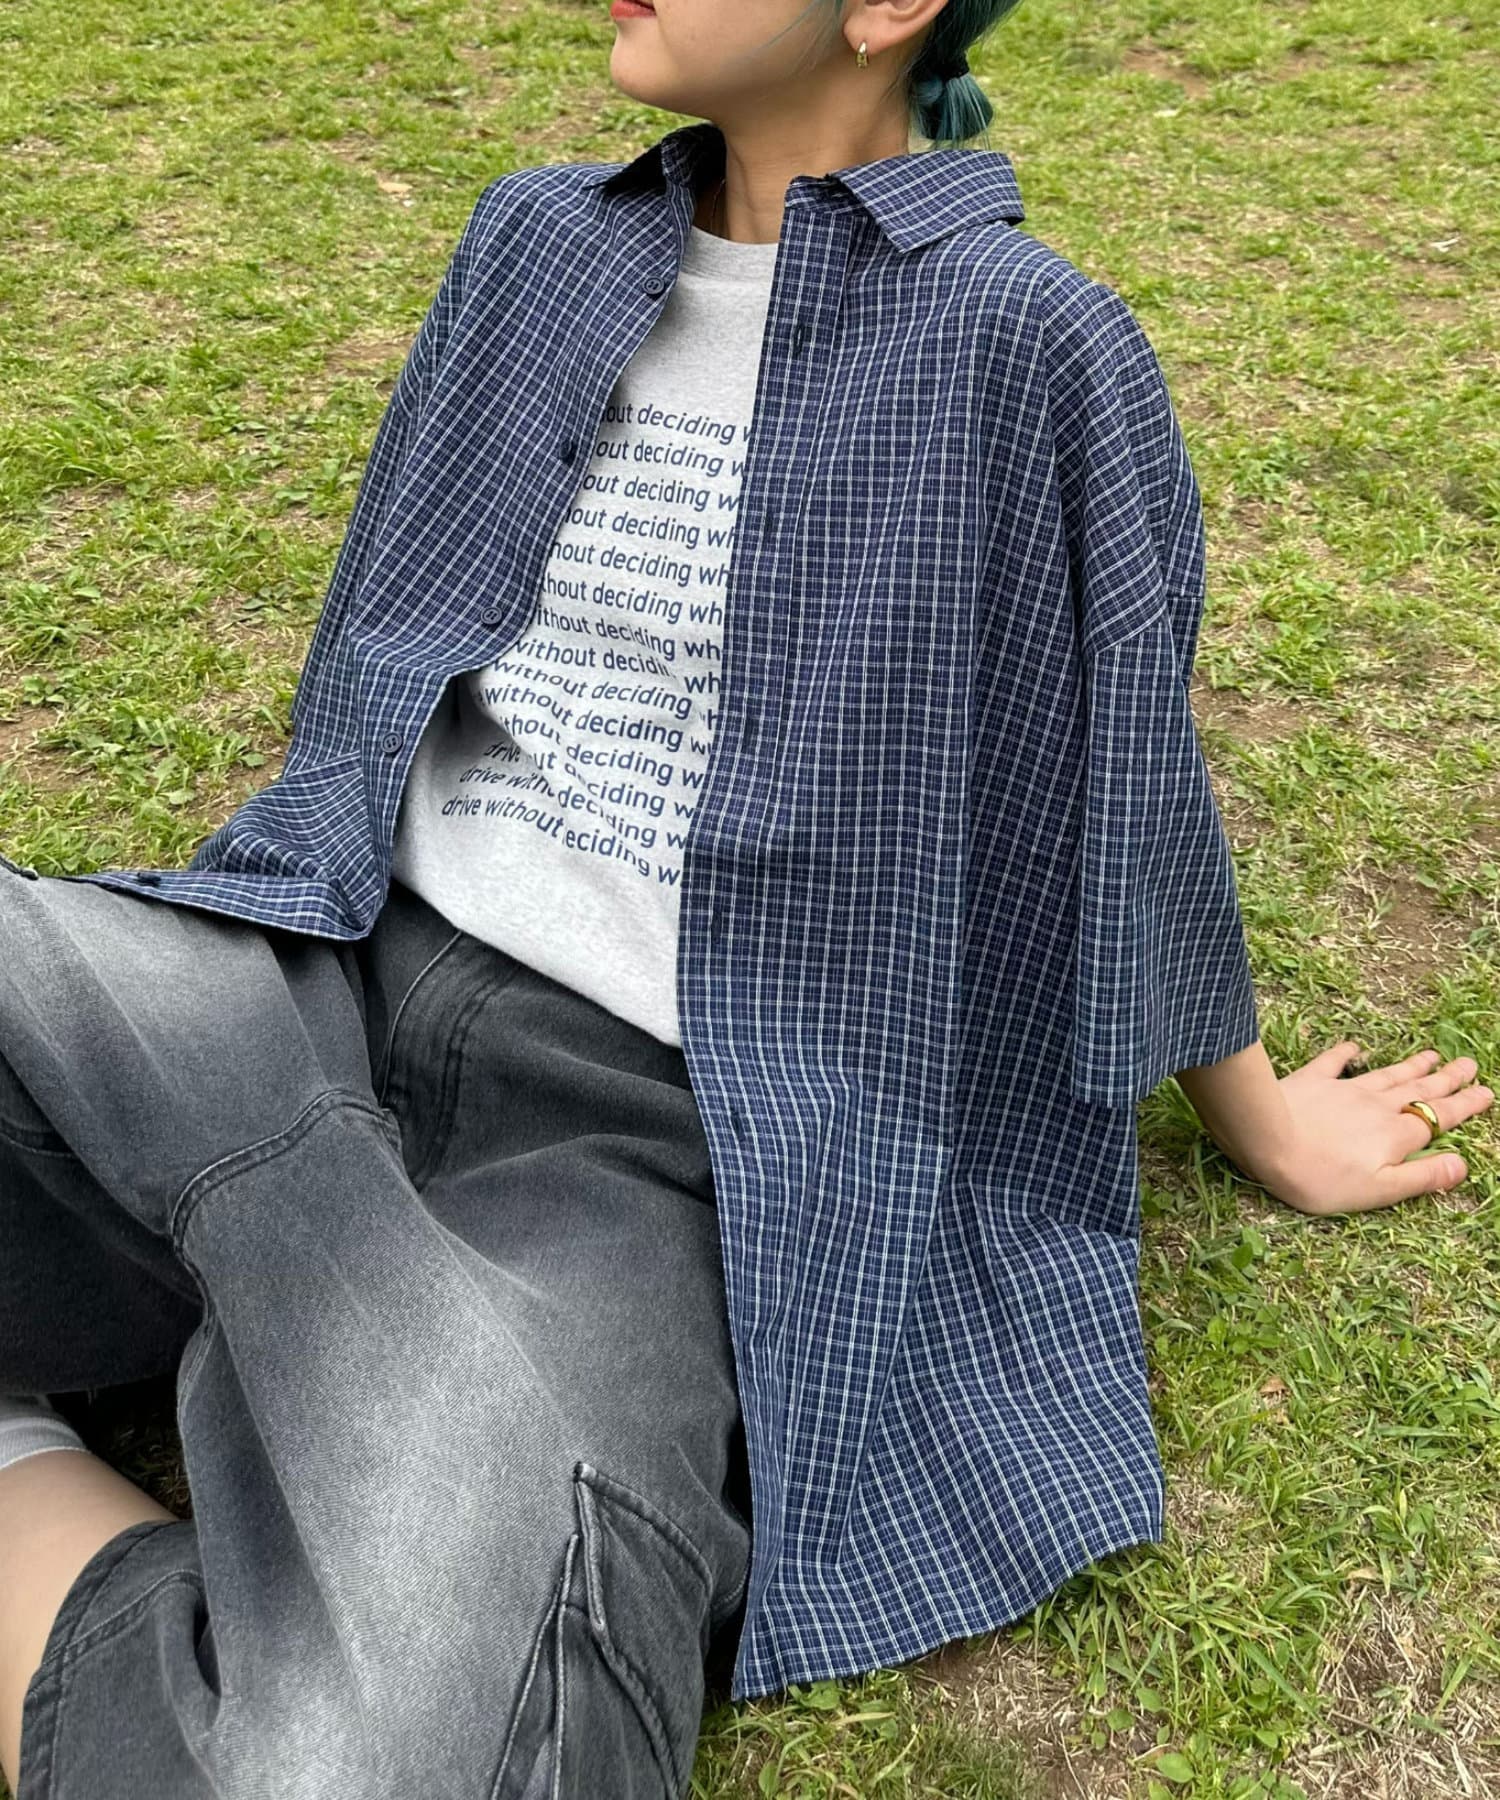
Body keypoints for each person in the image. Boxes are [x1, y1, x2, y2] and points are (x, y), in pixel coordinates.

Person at [1, 0, 1491, 1788]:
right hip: (311, 968)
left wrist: (1259, 1123)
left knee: (438, 1754)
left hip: (638, 1136)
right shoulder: (537, 242)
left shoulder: (1031, 344)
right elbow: (392, 630)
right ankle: (289, 1334)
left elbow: (1121, 782)